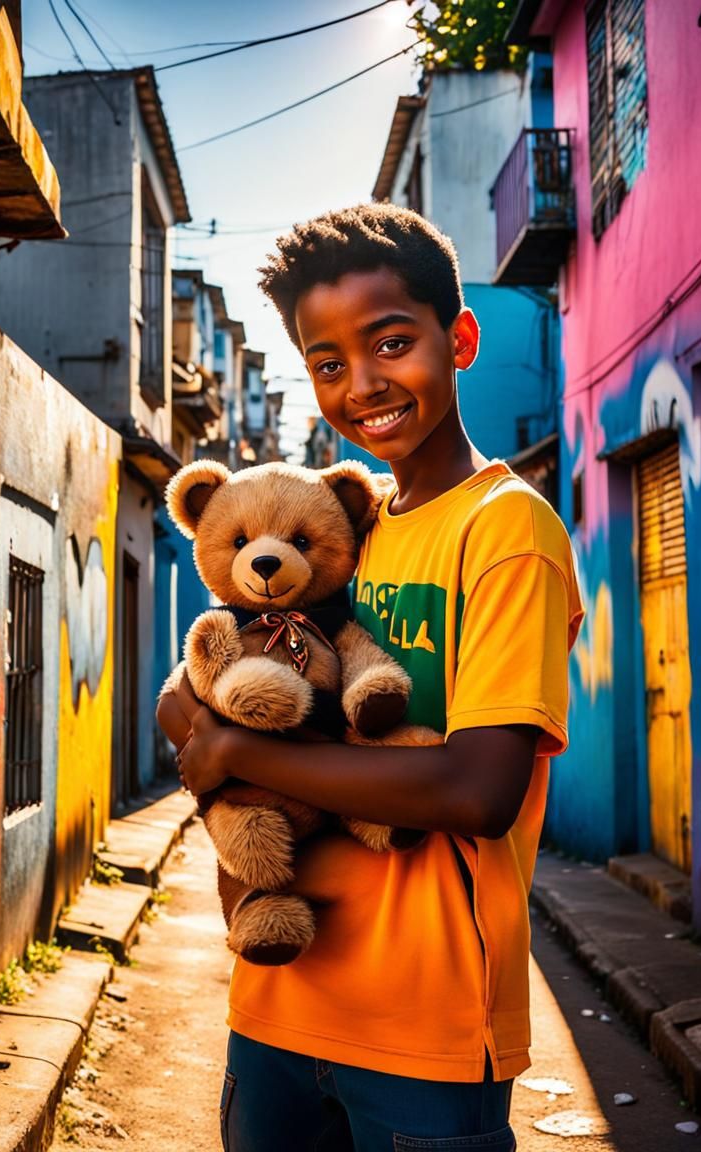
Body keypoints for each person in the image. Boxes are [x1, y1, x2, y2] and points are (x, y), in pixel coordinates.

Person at [157, 204, 584, 1152]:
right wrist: (200, 716)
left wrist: (232, 751)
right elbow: (213, 684)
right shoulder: (349, 526)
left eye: (392, 343)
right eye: (328, 363)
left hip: (423, 1023)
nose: (363, 385)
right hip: (274, 994)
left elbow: (478, 789)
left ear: (460, 337)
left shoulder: (507, 530)